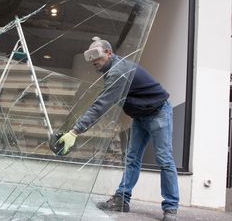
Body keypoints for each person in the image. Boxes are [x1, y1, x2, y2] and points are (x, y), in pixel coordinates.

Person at [57, 39, 179, 221]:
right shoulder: (111, 71)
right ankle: (122, 199)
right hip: (140, 116)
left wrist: (75, 131)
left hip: (158, 112)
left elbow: (101, 105)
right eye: (90, 58)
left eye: (97, 56)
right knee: (131, 158)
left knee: (164, 159)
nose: (93, 61)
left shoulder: (118, 71)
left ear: (108, 53)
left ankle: (171, 208)